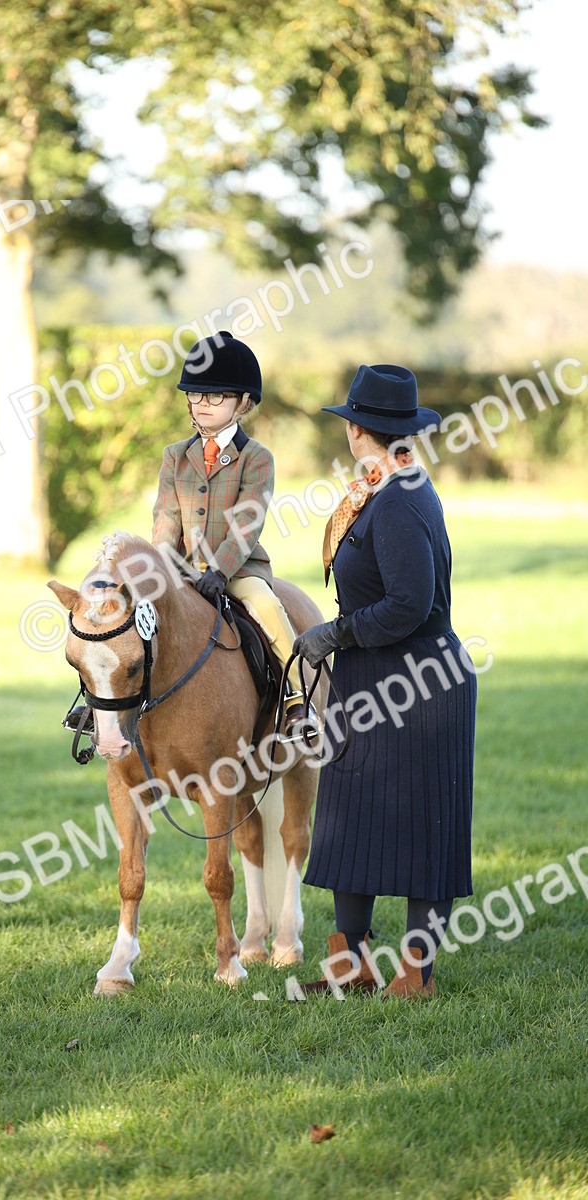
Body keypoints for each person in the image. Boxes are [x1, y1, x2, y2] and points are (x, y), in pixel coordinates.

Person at [294, 364, 477, 999]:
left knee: (425, 823)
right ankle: (351, 965)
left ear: (356, 431)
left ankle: (416, 975)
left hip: (420, 683)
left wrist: (334, 634)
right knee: (350, 815)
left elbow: (409, 603)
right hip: (374, 676)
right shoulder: (389, 485)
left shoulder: (398, 502)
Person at [152, 330, 314, 740]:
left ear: (243, 403)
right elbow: (166, 517)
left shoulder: (256, 459)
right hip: (182, 571)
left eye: (215, 397)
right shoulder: (175, 455)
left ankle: (296, 698)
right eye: (195, 395)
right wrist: (160, 567)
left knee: (267, 607)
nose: (201, 404)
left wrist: (220, 571)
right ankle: (103, 703)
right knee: (129, 620)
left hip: (238, 570)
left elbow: (248, 522)